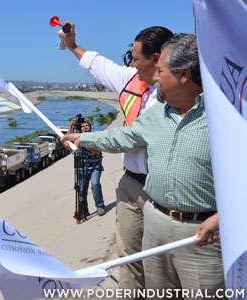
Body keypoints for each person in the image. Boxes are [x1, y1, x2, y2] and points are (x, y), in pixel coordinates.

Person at [61, 33, 224, 295]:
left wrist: (223, 218)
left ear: (183, 74)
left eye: (160, 71)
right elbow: (124, 136)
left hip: (202, 236)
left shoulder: (225, 116)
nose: (155, 78)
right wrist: (84, 138)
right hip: (155, 222)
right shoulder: (158, 112)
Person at [58, 23, 173, 293]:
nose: (130, 64)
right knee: (129, 259)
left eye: (135, 59)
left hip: (162, 190)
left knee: (160, 265)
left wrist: (87, 140)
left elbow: (134, 137)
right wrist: (73, 45)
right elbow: (99, 64)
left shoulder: (175, 92)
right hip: (131, 185)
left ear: (156, 60)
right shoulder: (132, 79)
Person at [68, 119, 105, 219]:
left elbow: (97, 152)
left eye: (87, 126)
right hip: (81, 168)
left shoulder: (95, 137)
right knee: (81, 190)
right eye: (82, 126)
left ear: (90, 127)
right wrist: (71, 126)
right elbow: (67, 140)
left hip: (95, 167)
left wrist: (85, 144)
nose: (85, 127)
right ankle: (84, 211)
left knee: (95, 184)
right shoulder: (77, 138)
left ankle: (100, 206)